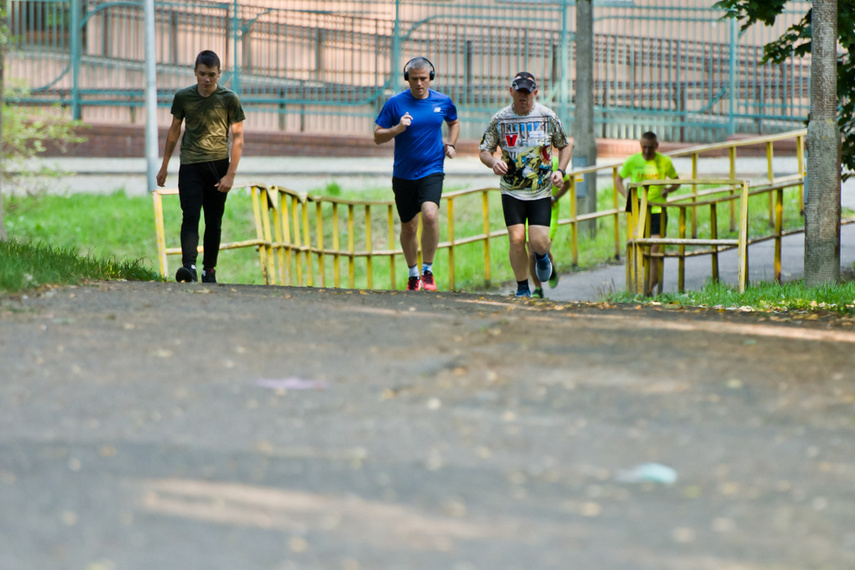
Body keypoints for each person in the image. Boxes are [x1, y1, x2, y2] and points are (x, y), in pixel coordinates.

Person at [479, 72, 572, 298]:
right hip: (511, 190)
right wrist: (493, 162)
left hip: (540, 191)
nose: (523, 96)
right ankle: (522, 287)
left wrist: (560, 171)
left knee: (539, 242)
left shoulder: (547, 117)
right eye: (519, 91)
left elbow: (565, 145)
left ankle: (541, 256)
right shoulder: (500, 119)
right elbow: (484, 150)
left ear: (535, 93)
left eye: (527, 92)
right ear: (511, 91)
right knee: (517, 238)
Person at [156, 50, 245, 284]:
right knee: (190, 216)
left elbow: (238, 138)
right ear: (195, 72)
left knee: (214, 221)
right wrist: (164, 165)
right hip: (190, 165)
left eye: (212, 75)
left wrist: (230, 175)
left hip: (218, 167)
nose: (207, 79)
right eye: (203, 74)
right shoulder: (183, 97)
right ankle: (189, 267)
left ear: (219, 74)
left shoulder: (229, 99)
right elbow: (174, 130)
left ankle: (209, 270)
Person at [374, 57, 460, 291]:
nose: (419, 83)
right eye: (414, 79)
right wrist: (397, 129)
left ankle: (428, 271)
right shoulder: (395, 103)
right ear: (407, 79)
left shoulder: (442, 101)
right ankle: (413, 274)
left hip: (432, 169)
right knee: (409, 227)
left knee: (430, 215)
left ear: (430, 77)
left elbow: (454, 122)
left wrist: (450, 144)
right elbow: (377, 136)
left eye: (423, 78)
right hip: (403, 174)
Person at [614, 131, 680, 295]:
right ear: (640, 145)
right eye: (644, 147)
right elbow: (618, 180)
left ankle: (649, 288)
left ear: (657, 146)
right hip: (637, 209)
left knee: (655, 247)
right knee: (639, 247)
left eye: (650, 148)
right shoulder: (632, 160)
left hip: (657, 209)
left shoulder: (664, 161)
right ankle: (638, 285)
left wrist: (668, 189)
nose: (647, 151)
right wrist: (627, 196)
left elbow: (676, 181)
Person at [529, 156, 570, 298]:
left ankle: (550, 269)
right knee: (531, 251)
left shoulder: (555, 162)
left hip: (550, 211)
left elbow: (568, 183)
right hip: (531, 209)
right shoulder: (526, 160)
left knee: (542, 246)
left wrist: (556, 197)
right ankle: (538, 289)